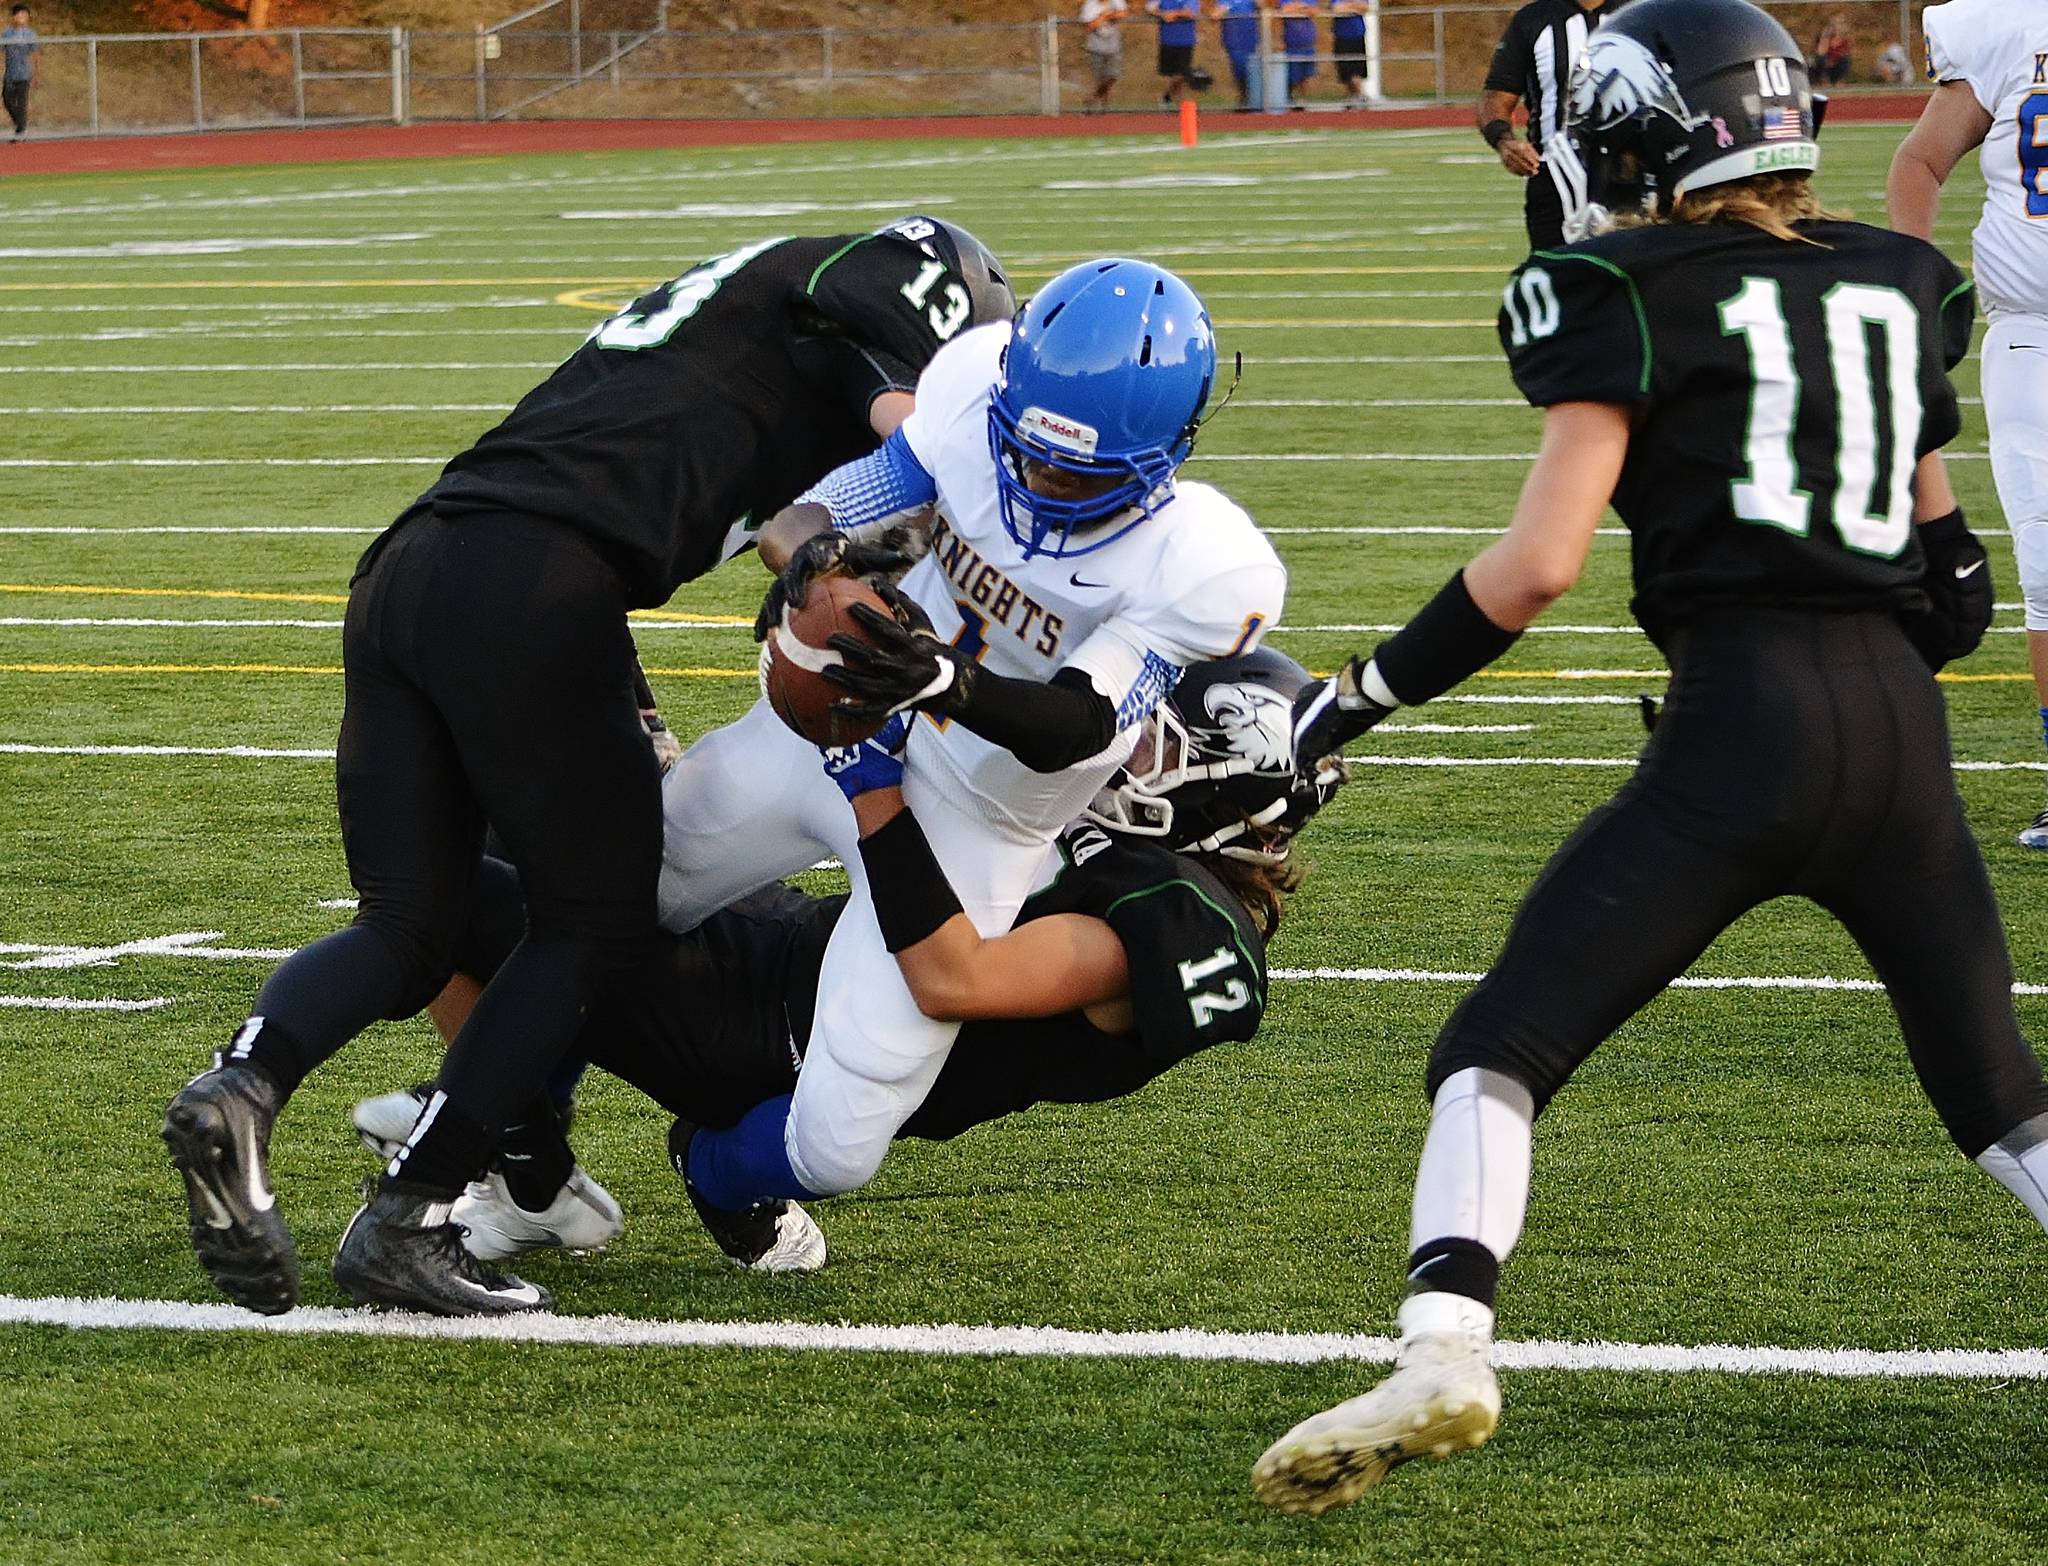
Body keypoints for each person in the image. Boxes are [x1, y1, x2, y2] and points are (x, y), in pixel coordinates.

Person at [1253, 0, 2048, 1515]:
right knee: (2003, 1092)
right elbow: (1956, 596)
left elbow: (1535, 567)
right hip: (1900, 736)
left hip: (1738, 740)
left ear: (1640, 126)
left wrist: (1346, 697)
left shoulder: (1620, 285)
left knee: (1498, 1048)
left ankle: (1442, 1344)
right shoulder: (1900, 278)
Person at [160, 217, 1015, 1320]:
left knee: (410, 921)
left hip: (409, 565)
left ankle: (246, 1081)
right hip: (533, 582)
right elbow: (916, 425)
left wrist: (839, 547)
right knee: (594, 921)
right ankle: (413, 1215)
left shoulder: (748, 326)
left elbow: (807, 511)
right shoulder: (867, 317)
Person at [648, 259, 1287, 1251]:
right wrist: (812, 550)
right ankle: (506, 1136)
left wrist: (938, 680)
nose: (1038, 483)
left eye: (1077, 470)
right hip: (845, 718)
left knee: (839, 1141)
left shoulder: (1202, 561)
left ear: (1168, 452)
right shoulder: (972, 382)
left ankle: (717, 1165)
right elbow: (843, 499)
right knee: (621, 884)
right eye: (1026, 453)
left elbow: (1078, 722)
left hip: (979, 816)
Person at [355, 650, 1345, 1273]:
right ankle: (535, 1148)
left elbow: (952, 977)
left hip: (776, 1044)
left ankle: (527, 1168)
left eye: (1160, 750)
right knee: (532, 770)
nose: (1130, 752)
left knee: (443, 876)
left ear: (1223, 791)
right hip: (784, 943)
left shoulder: (1174, 925)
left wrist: (868, 786)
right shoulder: (1130, 842)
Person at [1888, 0, 2048, 848]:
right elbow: (1919, 161)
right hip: (2033, 334)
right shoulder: (2006, 25)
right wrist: (1911, 292)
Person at [1478, 0, 1631, 250]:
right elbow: (1496, 95)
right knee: (1559, 277)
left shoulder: (1640, 12)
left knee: (1637, 279)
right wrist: (1504, 141)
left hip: (1630, 175)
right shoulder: (1533, 20)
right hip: (1554, 176)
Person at [1147, 0, 1200, 106]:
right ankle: (1175, 101)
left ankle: (1168, 97)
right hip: (1167, 40)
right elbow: (1149, 8)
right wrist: (1162, 14)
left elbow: (1191, 12)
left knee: (1182, 73)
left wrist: (1174, 14)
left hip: (1186, 40)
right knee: (1174, 73)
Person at [1212, 0, 1261, 109]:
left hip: (1251, 41)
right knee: (1240, 71)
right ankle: (1243, 99)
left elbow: (1263, 9)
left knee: (1252, 71)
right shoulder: (1227, 1)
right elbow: (1215, 15)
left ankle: (1254, 100)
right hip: (1235, 42)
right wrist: (1226, 9)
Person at [1080, 0, 1128, 112]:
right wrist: (1104, 16)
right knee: (1100, 78)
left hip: (1114, 46)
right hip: (1096, 47)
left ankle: (1092, 98)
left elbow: (1123, 13)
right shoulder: (1090, 4)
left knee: (1113, 76)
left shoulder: (1116, 2)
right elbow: (1090, 26)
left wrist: (1109, 15)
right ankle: (1104, 108)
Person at [2, 5, 35, 141]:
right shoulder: (6, 33)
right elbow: (2, 51)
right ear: (14, 17)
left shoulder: (30, 34)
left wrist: (36, 74)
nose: (22, 18)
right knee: (7, 100)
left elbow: (35, 54)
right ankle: (20, 126)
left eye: (25, 15)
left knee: (22, 103)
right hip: (10, 74)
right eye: (20, 15)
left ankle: (20, 132)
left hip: (24, 74)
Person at [1277, 0, 1320, 100]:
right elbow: (1285, 11)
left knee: (1306, 75)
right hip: (1292, 44)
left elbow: (1313, 11)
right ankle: (1292, 99)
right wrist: (1303, 9)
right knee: (1293, 76)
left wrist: (1297, 9)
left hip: (1308, 44)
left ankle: (1302, 100)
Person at [1331, 0, 1371, 106]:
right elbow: (1337, 9)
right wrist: (1355, 7)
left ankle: (1359, 95)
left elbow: (1365, 8)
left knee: (1357, 69)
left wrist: (1348, 7)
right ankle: (1354, 95)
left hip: (1357, 35)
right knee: (1345, 69)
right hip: (1342, 36)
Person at [1809, 12, 1852, 84]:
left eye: (1839, 24)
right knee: (1821, 59)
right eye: (1834, 24)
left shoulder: (1845, 39)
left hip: (1836, 66)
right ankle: (1824, 80)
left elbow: (1845, 53)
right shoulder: (1823, 37)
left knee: (1846, 60)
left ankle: (1839, 81)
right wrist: (1825, 37)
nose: (1836, 27)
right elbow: (1820, 52)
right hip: (1823, 66)